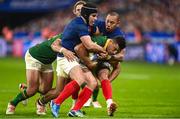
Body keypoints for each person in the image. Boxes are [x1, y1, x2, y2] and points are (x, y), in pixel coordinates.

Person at [50, 3, 107, 118]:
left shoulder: (84, 23)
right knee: (80, 79)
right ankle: (56, 102)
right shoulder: (79, 25)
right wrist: (104, 50)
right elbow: (89, 45)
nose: (95, 19)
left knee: (93, 83)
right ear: (86, 15)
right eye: (94, 16)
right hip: (67, 57)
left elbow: (97, 30)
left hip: (74, 58)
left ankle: (75, 110)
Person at [5, 34, 76, 115]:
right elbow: (54, 45)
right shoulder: (65, 37)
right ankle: (12, 103)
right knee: (32, 90)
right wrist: (63, 50)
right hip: (34, 57)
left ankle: (26, 88)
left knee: (45, 90)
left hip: (47, 62)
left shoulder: (72, 38)